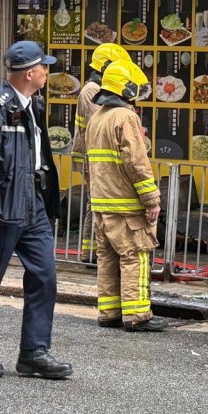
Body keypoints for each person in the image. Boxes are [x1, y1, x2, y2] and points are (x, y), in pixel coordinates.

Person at [0, 41, 72, 379]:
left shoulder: (32, 104)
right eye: (44, 67)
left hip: (32, 204)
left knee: (45, 276)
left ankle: (34, 352)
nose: (48, 73)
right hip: (2, 206)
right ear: (30, 73)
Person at [85, 59, 168, 332]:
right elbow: (136, 162)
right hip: (125, 205)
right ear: (127, 88)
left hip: (101, 202)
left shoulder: (96, 117)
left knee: (107, 258)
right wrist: (152, 200)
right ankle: (137, 314)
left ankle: (109, 311)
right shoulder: (126, 117)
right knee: (135, 256)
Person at [71, 42, 131, 263]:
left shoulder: (98, 89)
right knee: (95, 203)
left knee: (95, 203)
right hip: (93, 157)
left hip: (97, 156)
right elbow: (104, 124)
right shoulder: (91, 91)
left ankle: (93, 251)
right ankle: (91, 253)